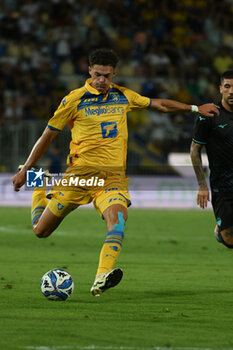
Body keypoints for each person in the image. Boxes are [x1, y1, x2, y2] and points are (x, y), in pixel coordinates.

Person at [12, 48, 219, 296]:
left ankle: (101, 277)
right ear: (89, 71)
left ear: (114, 74)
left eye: (107, 76)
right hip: (77, 177)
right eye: (98, 74)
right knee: (40, 231)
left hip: (111, 179)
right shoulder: (74, 100)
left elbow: (160, 105)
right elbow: (47, 136)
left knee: (118, 222)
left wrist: (195, 108)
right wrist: (27, 168)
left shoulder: (123, 96)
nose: (102, 80)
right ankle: (40, 185)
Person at [190, 70, 233, 248]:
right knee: (230, 241)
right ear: (220, 88)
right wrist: (202, 185)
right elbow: (194, 150)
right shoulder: (209, 115)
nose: (232, 91)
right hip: (222, 186)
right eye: (227, 86)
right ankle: (220, 230)